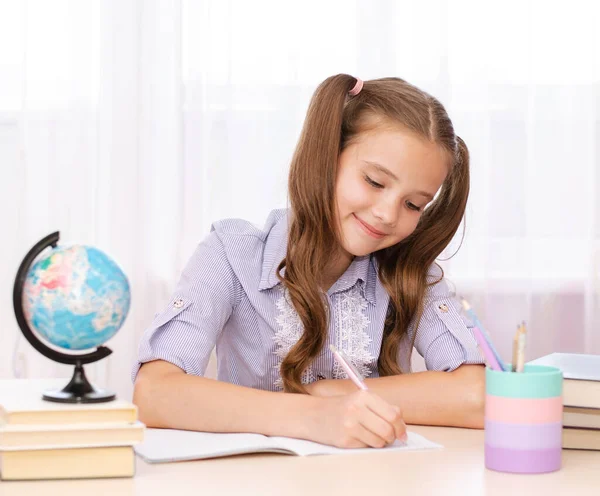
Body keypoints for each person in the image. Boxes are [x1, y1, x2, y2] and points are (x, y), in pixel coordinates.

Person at [132, 74, 485, 449]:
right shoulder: (231, 255)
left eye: (413, 204)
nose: (387, 214)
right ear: (326, 159)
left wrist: (328, 394)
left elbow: (478, 396)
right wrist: (311, 417)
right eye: (374, 182)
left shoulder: (411, 271)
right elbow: (154, 392)